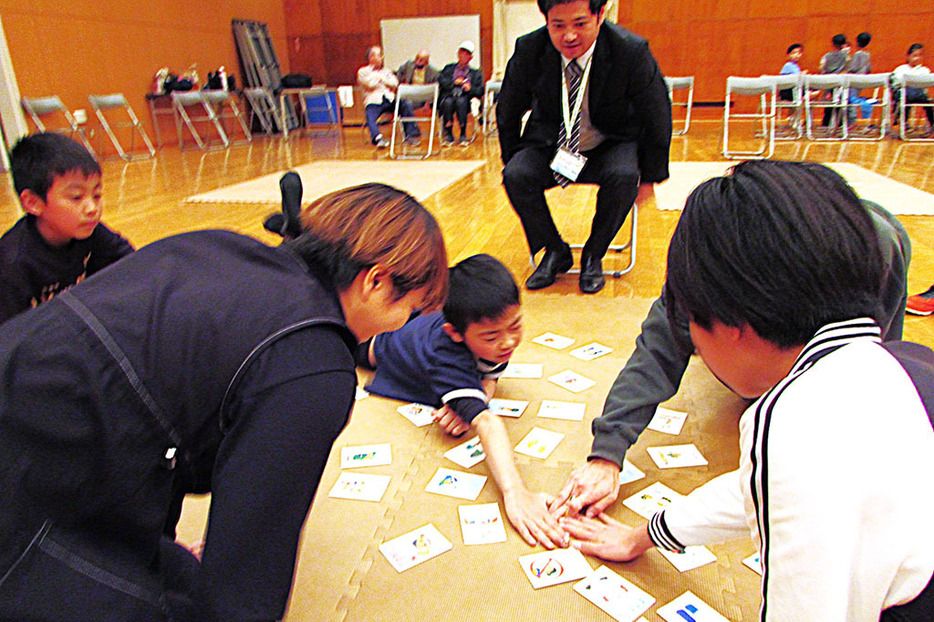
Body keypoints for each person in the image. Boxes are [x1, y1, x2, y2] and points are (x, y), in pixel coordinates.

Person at [0, 180, 448, 622]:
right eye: (407, 309)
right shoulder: (316, 363)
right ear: (374, 281)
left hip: (31, 401)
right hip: (24, 501)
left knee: (176, 573)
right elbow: (252, 558)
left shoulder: (220, 245)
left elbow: (161, 410)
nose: (399, 326)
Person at [560, 160, 934, 622]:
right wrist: (642, 536)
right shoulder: (901, 359)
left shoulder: (787, 422)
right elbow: (757, 489)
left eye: (692, 323)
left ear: (733, 326)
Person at [551, 173, 910, 519]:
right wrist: (607, 454)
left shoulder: (877, 261)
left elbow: (868, 370)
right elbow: (656, 354)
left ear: (736, 328)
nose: (696, 349)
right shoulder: (700, 277)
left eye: (699, 341)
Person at [358, 254, 567, 549]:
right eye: (492, 336)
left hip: (419, 322)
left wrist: (473, 399)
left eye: (516, 326)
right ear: (455, 334)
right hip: (372, 344)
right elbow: (487, 422)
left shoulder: (487, 334)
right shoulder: (446, 354)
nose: (507, 343)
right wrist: (515, 493)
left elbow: (490, 378)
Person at [497, 0, 671, 294]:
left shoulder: (629, 51)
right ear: (546, 20)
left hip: (610, 142)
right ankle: (554, 251)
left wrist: (651, 176)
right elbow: (508, 110)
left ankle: (594, 254)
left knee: (625, 176)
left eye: (580, 24)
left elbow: (656, 114)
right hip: (552, 143)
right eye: (558, 25)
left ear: (600, 15)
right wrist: (512, 157)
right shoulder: (530, 49)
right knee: (516, 175)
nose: (569, 36)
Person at [0, 132, 133, 324]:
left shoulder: (90, 231)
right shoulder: (12, 264)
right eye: (76, 197)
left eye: (96, 195)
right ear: (32, 203)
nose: (92, 208)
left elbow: (131, 265)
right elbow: (12, 340)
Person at [357, 45, 421, 148]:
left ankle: (410, 135)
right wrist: (381, 78)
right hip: (374, 101)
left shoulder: (386, 71)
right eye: (379, 55)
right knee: (370, 115)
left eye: (381, 56)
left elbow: (394, 83)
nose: (381, 58)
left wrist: (380, 78)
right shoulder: (363, 71)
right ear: (371, 57)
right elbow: (370, 84)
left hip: (389, 99)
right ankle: (377, 138)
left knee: (405, 104)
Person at [438, 41, 484, 145]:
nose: (463, 56)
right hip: (449, 96)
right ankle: (449, 133)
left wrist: (470, 88)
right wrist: (454, 82)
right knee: (448, 103)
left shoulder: (476, 74)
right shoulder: (448, 69)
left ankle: (463, 133)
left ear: (470, 57)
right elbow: (441, 81)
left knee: (461, 102)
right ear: (458, 54)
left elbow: (480, 91)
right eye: (462, 53)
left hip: (465, 98)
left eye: (467, 54)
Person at [892, 43, 934, 130]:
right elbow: (896, 83)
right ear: (908, 56)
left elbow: (926, 83)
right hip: (902, 93)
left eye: (919, 55)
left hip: (919, 94)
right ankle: (903, 122)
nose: (917, 58)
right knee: (907, 95)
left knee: (924, 99)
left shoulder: (924, 70)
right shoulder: (900, 69)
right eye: (914, 55)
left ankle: (932, 123)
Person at [819, 33, 851, 127]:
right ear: (843, 45)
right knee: (840, 104)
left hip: (828, 83)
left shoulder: (826, 56)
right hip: (840, 84)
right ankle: (840, 124)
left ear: (832, 44)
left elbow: (822, 69)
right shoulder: (846, 57)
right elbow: (847, 69)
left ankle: (825, 124)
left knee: (828, 106)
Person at [847, 32, 874, 124]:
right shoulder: (867, 55)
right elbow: (869, 68)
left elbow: (853, 68)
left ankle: (852, 121)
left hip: (854, 81)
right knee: (853, 98)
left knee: (850, 100)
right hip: (862, 80)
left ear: (857, 42)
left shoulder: (857, 54)